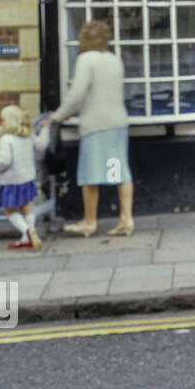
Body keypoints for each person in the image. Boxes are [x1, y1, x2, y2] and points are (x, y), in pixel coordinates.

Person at [48, 19, 135, 237]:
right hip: (117, 125)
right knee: (119, 172)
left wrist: (56, 116)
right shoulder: (114, 59)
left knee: (90, 175)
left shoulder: (86, 59)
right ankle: (126, 219)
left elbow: (77, 95)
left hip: (96, 127)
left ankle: (89, 221)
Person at [0, 105, 50, 250]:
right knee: (26, 207)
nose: (1, 123)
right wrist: (46, 129)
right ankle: (28, 237)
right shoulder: (28, 135)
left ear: (11, 121)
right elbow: (41, 145)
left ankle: (27, 232)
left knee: (9, 210)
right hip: (28, 179)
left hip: (12, 181)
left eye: (3, 120)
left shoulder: (6, 139)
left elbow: (5, 162)